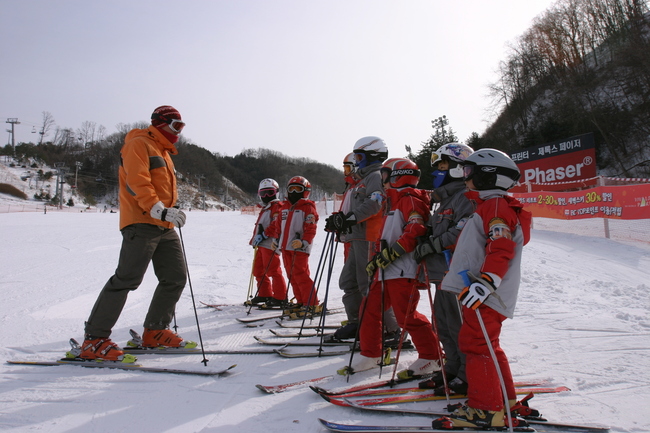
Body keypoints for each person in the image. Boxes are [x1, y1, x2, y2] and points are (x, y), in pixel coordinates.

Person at [79, 105, 194, 363]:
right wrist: (158, 209)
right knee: (127, 279)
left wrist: (170, 211)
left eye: (182, 127)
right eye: (176, 126)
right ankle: (94, 339)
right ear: (160, 123)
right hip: (141, 222)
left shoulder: (164, 152)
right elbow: (137, 181)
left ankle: (155, 330)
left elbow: (162, 188)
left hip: (164, 226)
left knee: (175, 277)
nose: (179, 132)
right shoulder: (138, 144)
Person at [432, 149, 532, 429]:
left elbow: (501, 247)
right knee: (488, 344)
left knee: (476, 344)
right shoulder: (490, 205)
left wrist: (487, 281)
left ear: (488, 176)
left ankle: (486, 409)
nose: (465, 178)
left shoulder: (496, 207)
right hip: (482, 290)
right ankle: (504, 400)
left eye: (469, 172)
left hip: (486, 292)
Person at [342, 158, 443, 377]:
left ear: (398, 175)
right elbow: (385, 234)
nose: (383, 181)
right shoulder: (392, 200)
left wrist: (394, 252)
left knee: (406, 315)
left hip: (404, 268)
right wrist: (376, 259)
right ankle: (372, 353)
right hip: (385, 268)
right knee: (369, 309)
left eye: (386, 175)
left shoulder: (410, 199)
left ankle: (432, 356)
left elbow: (415, 229)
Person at [414, 143, 475, 395]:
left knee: (459, 325)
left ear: (460, 169)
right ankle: (452, 366)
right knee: (443, 324)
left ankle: (467, 374)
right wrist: (426, 235)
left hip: (457, 273)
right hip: (442, 274)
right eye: (437, 166)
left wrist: (434, 244)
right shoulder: (443, 200)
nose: (439, 171)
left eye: (443, 165)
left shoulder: (466, 197)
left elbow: (462, 230)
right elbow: (441, 229)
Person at [325, 136, 399, 341]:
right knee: (349, 282)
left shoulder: (375, 176)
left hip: (369, 238)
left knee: (369, 285)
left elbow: (375, 203)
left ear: (372, 156)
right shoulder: (360, 181)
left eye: (359, 156)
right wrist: (339, 220)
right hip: (355, 238)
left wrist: (349, 219)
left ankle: (391, 329)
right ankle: (358, 323)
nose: (357, 160)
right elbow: (355, 207)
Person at [268, 176, 320, 309]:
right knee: (292, 276)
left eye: (298, 189)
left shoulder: (307, 208)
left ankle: (311, 303)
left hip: (299, 248)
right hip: (286, 248)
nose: (294, 192)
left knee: (301, 275)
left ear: (305, 191)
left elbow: (311, 228)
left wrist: (304, 242)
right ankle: (301, 301)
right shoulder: (284, 208)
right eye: (292, 189)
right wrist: (276, 239)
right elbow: (278, 227)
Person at [248, 178, 287, 307]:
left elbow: (276, 224)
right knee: (258, 270)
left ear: (276, 192)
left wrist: (264, 234)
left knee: (273, 270)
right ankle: (265, 293)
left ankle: (280, 297)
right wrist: (255, 238)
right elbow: (259, 226)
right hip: (261, 244)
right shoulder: (265, 208)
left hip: (271, 244)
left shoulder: (277, 207)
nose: (266, 196)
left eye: (269, 193)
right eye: (263, 193)